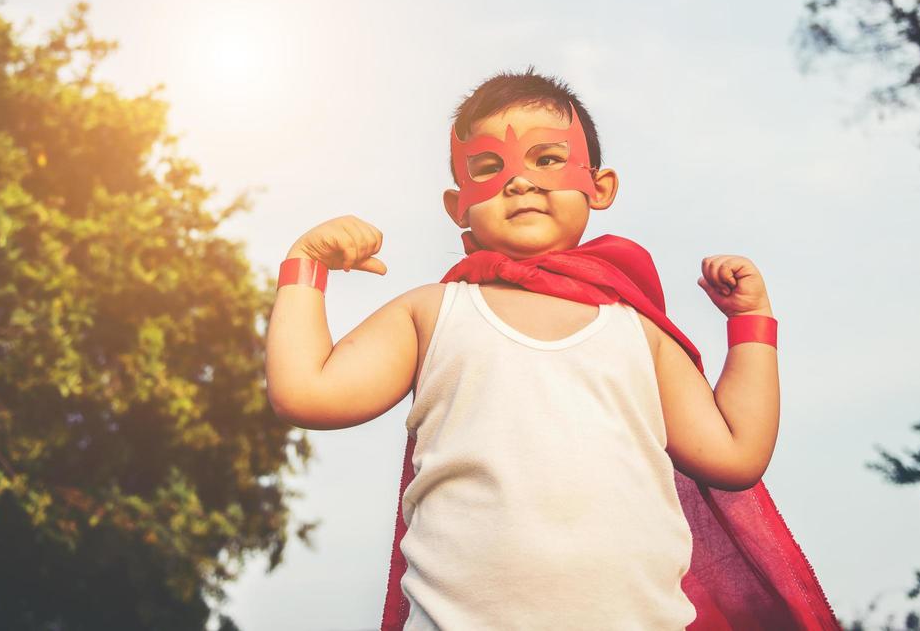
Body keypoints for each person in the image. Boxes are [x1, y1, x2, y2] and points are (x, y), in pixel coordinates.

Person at [265, 68, 839, 630]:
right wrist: (305, 266)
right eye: (489, 168)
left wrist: (751, 323)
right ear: (456, 204)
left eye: (547, 159)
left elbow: (736, 456)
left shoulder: (640, 333)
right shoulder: (432, 313)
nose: (520, 181)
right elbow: (306, 393)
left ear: (601, 186)